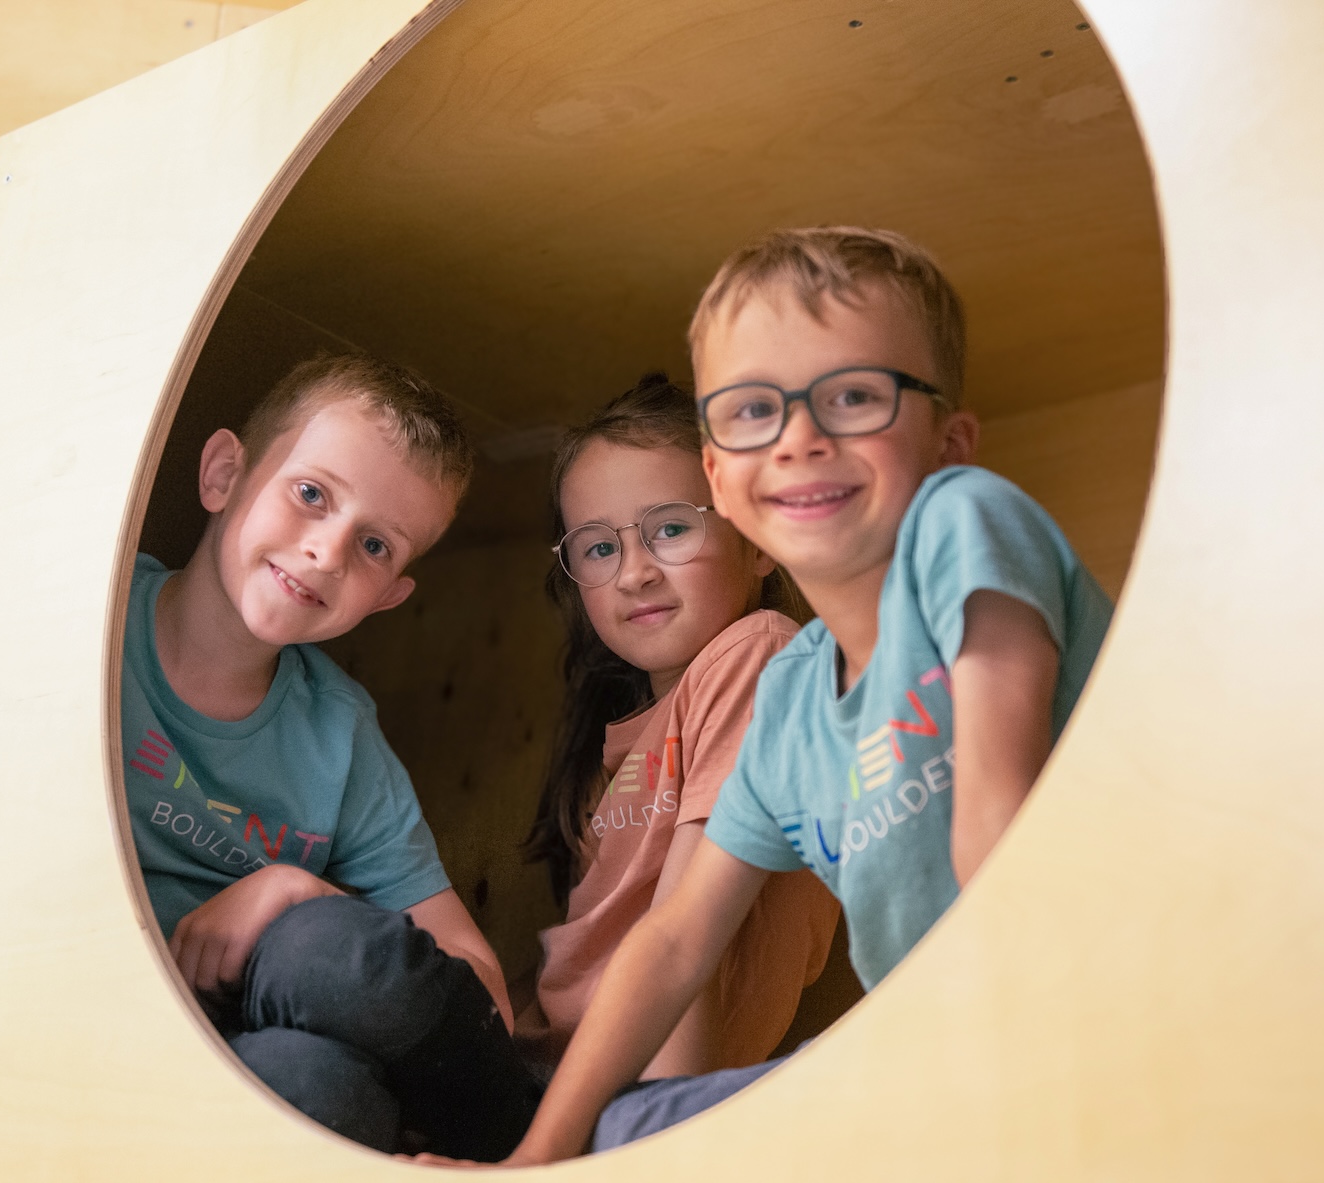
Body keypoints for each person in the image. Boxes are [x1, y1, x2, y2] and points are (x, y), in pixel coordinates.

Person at [474, 226, 1116, 1164]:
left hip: (1065, 1008)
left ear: (951, 444)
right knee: (633, 1125)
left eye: (853, 396)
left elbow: (995, 822)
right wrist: (538, 1159)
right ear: (722, 482)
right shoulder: (791, 702)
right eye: (751, 413)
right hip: (930, 1049)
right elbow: (676, 941)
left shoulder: (965, 519)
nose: (802, 437)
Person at [120, 351, 540, 1158]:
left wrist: (291, 890)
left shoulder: (338, 736)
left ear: (389, 596)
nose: (327, 552)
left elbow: (473, 985)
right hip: (98, 1011)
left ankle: (530, 1157)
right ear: (223, 473)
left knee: (321, 1035)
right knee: (321, 1041)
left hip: (256, 1041)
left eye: (376, 545)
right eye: (311, 494)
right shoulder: (93, 634)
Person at [517, 374, 841, 1078]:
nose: (634, 572)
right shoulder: (626, 734)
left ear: (758, 542)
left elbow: (683, 941)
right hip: (556, 1079)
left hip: (631, 1095)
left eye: (669, 528)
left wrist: (664, 1133)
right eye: (599, 548)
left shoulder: (758, 653)